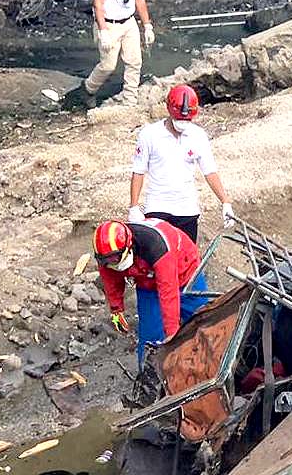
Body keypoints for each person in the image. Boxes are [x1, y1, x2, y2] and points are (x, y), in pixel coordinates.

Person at [94, 217, 209, 366]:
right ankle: (148, 374)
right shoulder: (105, 256)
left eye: (115, 259)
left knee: (202, 323)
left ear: (128, 247)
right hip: (147, 281)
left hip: (186, 272)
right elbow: (110, 281)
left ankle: (207, 366)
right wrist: (116, 309)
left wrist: (172, 333)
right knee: (150, 338)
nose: (111, 263)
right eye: (107, 261)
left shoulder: (156, 246)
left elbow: (168, 292)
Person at [128, 84, 234, 243]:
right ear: (169, 109)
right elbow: (138, 171)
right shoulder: (149, 135)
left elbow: (209, 171)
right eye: (178, 119)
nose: (182, 123)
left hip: (187, 209)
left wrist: (225, 202)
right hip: (158, 207)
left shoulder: (198, 136)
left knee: (186, 254)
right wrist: (134, 206)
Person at [78, 0, 155, 108]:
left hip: (128, 22)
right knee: (108, 65)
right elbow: (98, 4)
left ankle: (130, 102)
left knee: (134, 62)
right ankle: (88, 88)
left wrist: (147, 25)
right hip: (109, 23)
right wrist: (103, 31)